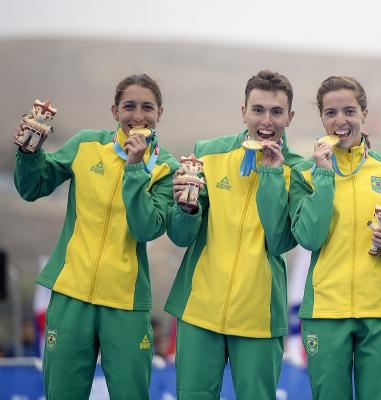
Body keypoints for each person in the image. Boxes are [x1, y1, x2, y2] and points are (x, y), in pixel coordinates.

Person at [13, 73, 178, 399]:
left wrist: (134, 168)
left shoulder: (166, 168)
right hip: (71, 295)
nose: (138, 115)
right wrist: (29, 153)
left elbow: (147, 228)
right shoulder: (87, 144)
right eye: (129, 106)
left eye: (147, 107)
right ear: (115, 111)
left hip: (126, 302)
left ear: (160, 113)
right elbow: (32, 187)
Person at [165, 70, 302, 399]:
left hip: (259, 317)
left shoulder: (298, 169)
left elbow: (281, 240)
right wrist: (184, 209)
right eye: (258, 109)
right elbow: (181, 235)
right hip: (199, 310)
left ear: (290, 117)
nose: (266, 120)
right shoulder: (208, 154)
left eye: (276, 111)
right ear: (243, 111)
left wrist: (270, 172)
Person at [289, 76, 381, 400]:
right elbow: (309, 237)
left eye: (349, 110)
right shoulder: (305, 173)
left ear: (363, 112)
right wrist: (323, 174)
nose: (340, 120)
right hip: (325, 313)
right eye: (330, 112)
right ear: (322, 118)